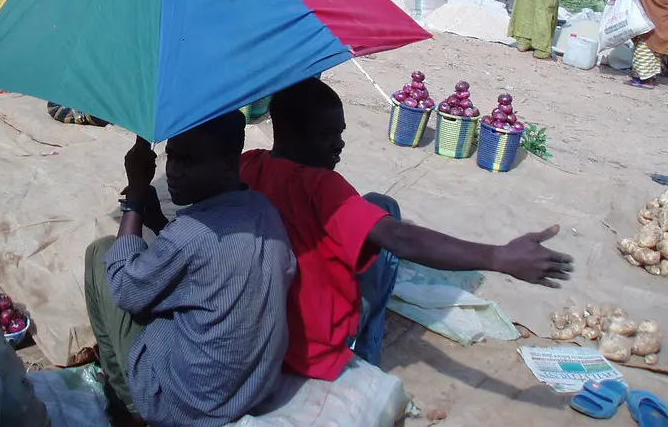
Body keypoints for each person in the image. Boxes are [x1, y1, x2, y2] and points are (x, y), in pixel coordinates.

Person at [241, 78, 574, 380]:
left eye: (340, 133)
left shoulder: (249, 165)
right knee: (386, 223)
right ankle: (364, 352)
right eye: (327, 135)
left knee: (379, 204)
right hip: (313, 348)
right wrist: (499, 257)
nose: (339, 145)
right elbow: (399, 238)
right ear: (288, 130)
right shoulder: (323, 187)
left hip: (268, 326)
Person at [84, 114, 295, 426]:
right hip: (251, 388)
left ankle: (131, 406)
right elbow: (208, 263)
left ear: (227, 163)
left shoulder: (189, 234)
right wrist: (156, 221)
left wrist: (135, 200)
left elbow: (125, 289)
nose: (173, 172)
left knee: (102, 254)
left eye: (190, 161)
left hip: (189, 406)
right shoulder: (263, 210)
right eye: (172, 156)